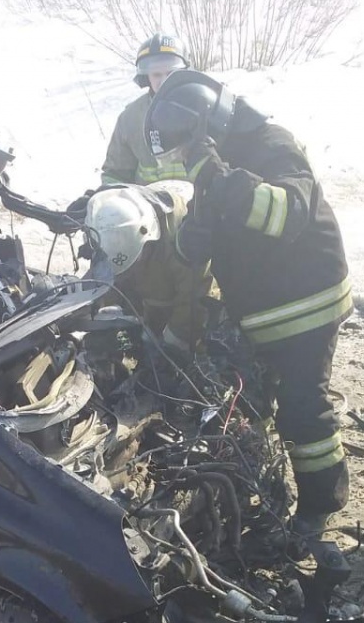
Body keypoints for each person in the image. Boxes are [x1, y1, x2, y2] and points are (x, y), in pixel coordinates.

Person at [144, 70, 352, 532]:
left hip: (306, 303)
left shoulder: (274, 145)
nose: (183, 161)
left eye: (184, 150)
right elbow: (205, 228)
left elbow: (284, 214)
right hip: (258, 310)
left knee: (303, 407)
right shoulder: (218, 163)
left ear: (205, 127)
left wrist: (216, 178)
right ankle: (251, 484)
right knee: (240, 404)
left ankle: (321, 507)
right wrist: (188, 242)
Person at [82, 180, 215, 348]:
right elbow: (107, 278)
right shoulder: (110, 227)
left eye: (134, 264)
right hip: (156, 280)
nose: (131, 272)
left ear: (147, 240)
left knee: (188, 340)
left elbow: (195, 299)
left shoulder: (185, 239)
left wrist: (173, 345)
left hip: (196, 283)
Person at [101, 34, 192, 186]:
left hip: (204, 207)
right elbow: (115, 174)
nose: (164, 81)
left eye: (171, 73)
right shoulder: (130, 118)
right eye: (157, 74)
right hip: (150, 207)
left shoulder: (205, 107)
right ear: (146, 77)